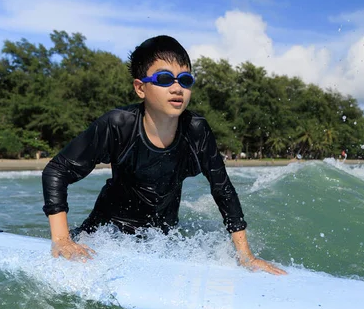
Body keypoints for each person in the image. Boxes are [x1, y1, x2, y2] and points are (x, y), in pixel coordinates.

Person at [42, 35, 286, 275]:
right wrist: (62, 239)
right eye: (165, 78)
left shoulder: (196, 131)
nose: (177, 88)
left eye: (185, 79)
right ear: (140, 88)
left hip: (161, 239)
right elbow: (57, 171)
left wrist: (245, 255)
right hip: (105, 234)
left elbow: (222, 189)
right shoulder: (118, 125)